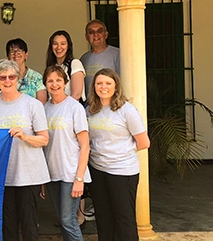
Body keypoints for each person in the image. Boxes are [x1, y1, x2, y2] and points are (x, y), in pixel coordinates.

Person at [0, 60, 50, 241]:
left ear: (18, 79)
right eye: (2, 77)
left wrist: (24, 136)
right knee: (7, 226)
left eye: (11, 77)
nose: (7, 81)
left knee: (29, 225)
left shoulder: (32, 104)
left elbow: (44, 139)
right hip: (4, 177)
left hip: (29, 175)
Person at [87, 68, 150, 241]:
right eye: (99, 83)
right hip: (97, 170)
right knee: (103, 217)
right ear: (94, 87)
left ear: (116, 86)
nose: (103, 87)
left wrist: (120, 153)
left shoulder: (127, 110)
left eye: (108, 83)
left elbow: (144, 142)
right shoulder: (91, 110)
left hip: (122, 171)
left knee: (124, 218)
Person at [42, 65, 91, 241]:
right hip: (53, 173)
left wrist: (80, 178)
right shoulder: (44, 109)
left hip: (71, 173)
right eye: (50, 81)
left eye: (58, 80)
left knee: (68, 220)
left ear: (65, 82)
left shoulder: (74, 107)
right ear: (45, 84)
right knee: (62, 220)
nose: (54, 84)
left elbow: (85, 145)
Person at [80, 19, 120, 94]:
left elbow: (123, 81)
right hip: (90, 104)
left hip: (111, 103)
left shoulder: (117, 54)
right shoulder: (84, 58)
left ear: (106, 34)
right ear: (86, 37)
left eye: (99, 31)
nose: (95, 35)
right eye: (91, 32)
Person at [45, 30, 85, 103]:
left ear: (68, 46)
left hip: (70, 111)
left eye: (63, 44)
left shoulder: (75, 64)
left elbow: (76, 95)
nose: (59, 47)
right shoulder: (51, 67)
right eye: (55, 44)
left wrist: (63, 109)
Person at [6, 38, 47, 104]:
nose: (16, 54)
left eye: (19, 51)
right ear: (8, 57)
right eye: (12, 51)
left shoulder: (36, 77)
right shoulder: (5, 77)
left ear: (26, 55)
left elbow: (41, 102)